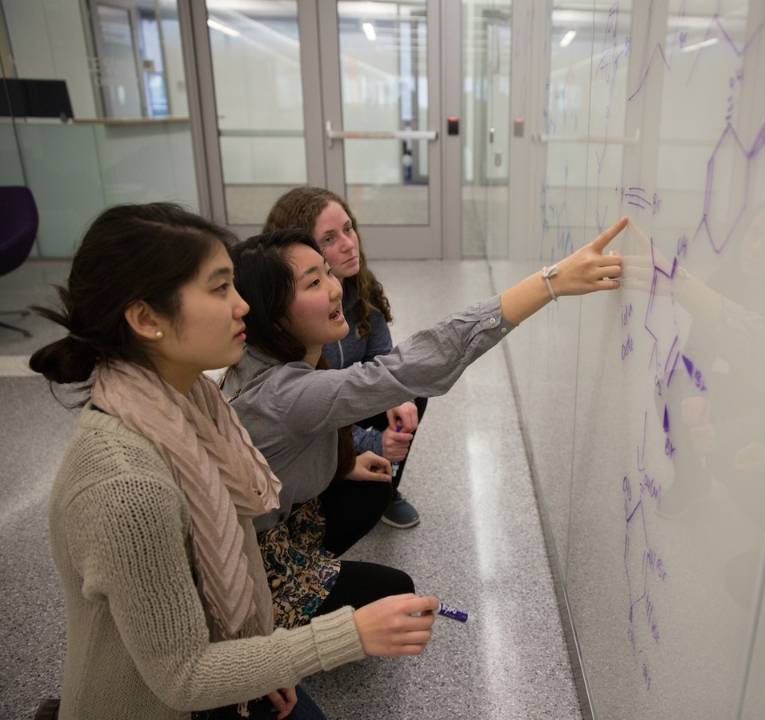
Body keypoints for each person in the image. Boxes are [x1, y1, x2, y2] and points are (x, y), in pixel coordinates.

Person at [30, 203, 440, 720]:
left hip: (226, 649)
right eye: (221, 288)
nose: (242, 305)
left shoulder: (195, 406)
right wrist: (348, 634)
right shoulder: (126, 486)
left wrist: (264, 654)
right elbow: (184, 677)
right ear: (146, 319)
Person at [221, 217, 627, 628]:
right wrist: (550, 283)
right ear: (273, 316)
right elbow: (417, 361)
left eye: (326, 272)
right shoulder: (281, 394)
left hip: (279, 524)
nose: (333, 287)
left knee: (374, 487)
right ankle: (274, 638)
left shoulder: (281, 356)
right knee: (395, 592)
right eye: (312, 283)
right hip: (250, 565)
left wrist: (347, 463)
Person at [263, 186, 423, 528]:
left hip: (345, 409)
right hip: (311, 440)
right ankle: (325, 496)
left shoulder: (360, 286)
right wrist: (372, 442)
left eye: (349, 229)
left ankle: (387, 479)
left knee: (410, 392)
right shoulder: (290, 317)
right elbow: (311, 416)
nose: (349, 244)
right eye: (329, 239)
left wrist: (398, 402)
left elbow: (383, 359)